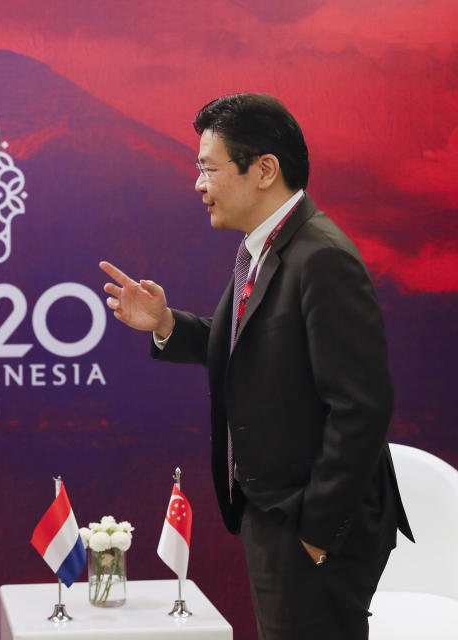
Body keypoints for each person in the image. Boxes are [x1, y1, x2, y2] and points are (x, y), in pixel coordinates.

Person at [100, 93, 412, 639]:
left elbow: (361, 407)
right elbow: (252, 349)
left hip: (310, 525)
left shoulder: (322, 257)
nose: (199, 184)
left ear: (264, 170)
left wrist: (315, 530)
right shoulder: (265, 247)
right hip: (276, 515)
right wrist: (165, 322)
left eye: (208, 168)